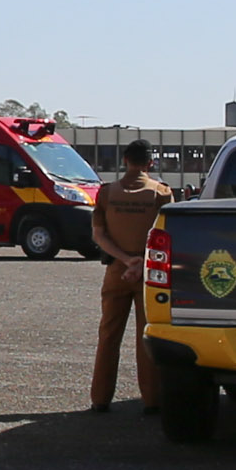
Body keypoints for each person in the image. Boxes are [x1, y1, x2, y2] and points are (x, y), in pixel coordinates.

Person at [89, 139, 171, 413]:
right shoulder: (161, 193)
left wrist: (125, 261)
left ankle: (100, 398)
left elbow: (99, 235)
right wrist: (140, 263)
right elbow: (166, 237)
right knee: (147, 335)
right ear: (150, 163)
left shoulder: (107, 193)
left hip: (116, 270)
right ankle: (152, 399)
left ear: (125, 160)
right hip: (150, 273)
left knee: (109, 335)